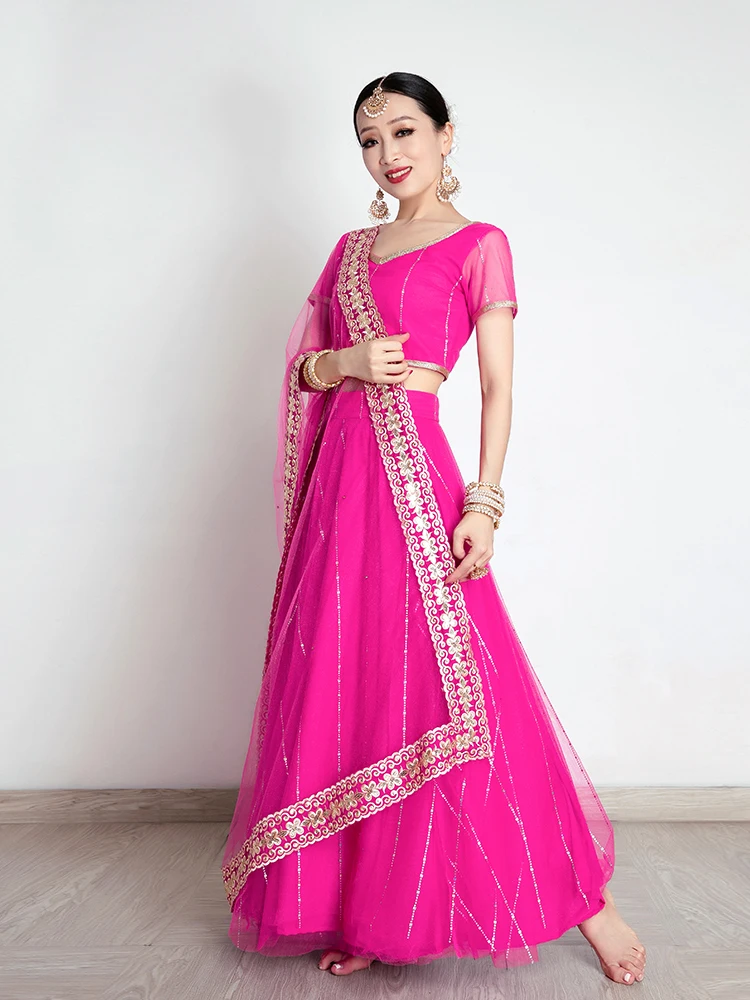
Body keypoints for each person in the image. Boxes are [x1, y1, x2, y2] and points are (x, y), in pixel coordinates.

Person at [221, 71, 647, 985]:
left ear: (446, 135)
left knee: (468, 683)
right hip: (340, 488)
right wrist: (344, 360)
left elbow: (496, 387)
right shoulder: (349, 250)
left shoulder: (480, 245)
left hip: (417, 482)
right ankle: (366, 909)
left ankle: (587, 901)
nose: (389, 153)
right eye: (370, 140)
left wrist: (483, 503)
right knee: (353, 677)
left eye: (406, 131)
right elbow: (304, 370)